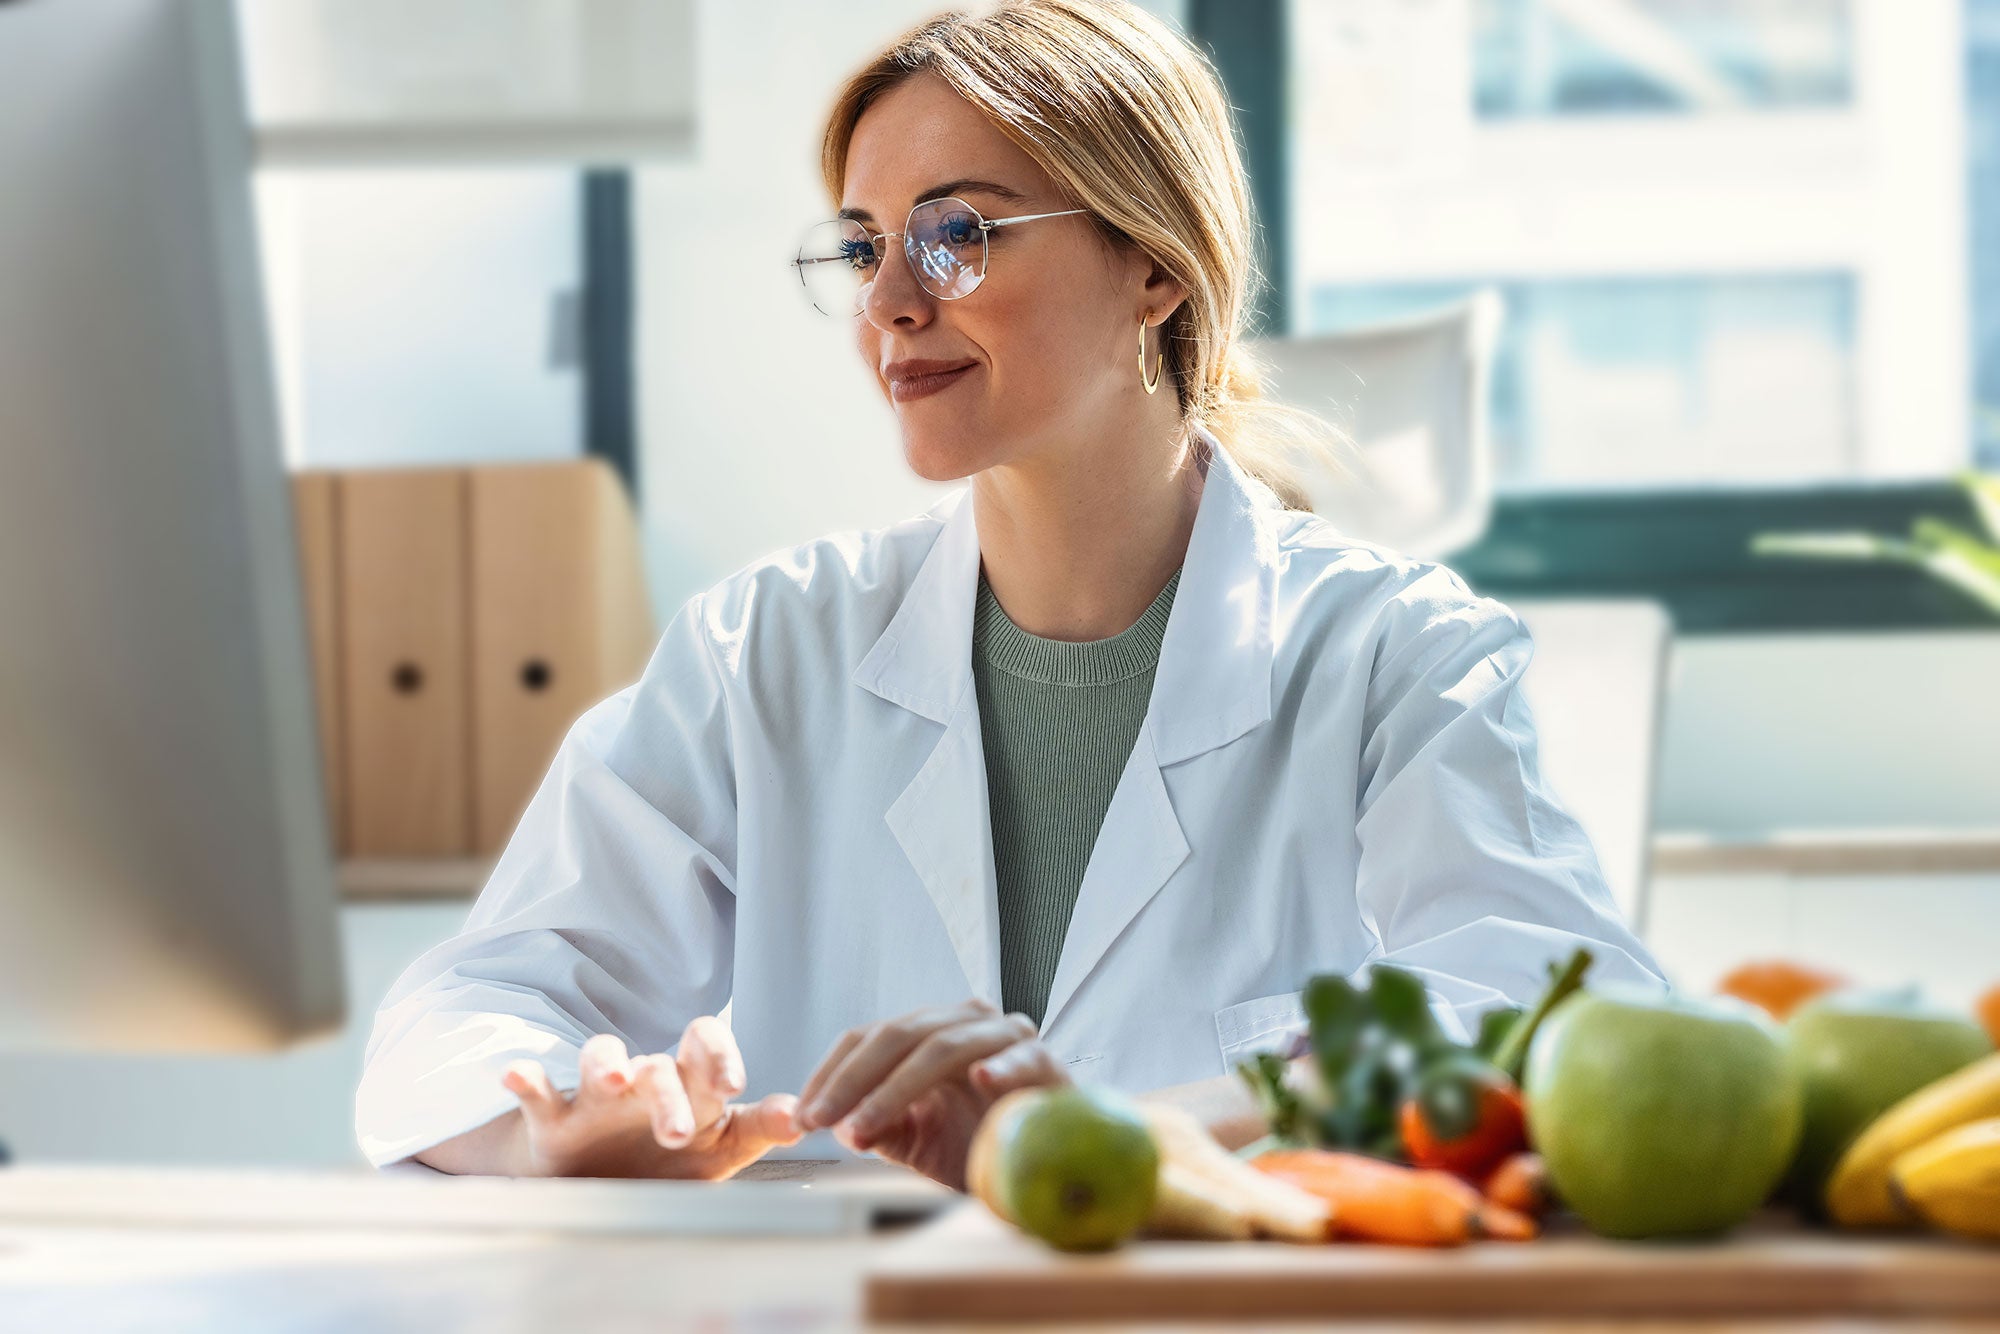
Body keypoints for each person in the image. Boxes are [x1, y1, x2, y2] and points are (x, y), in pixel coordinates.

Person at [354, 0, 1666, 1186]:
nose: (891, 303)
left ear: (1156, 265)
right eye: (866, 248)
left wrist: (1135, 1135)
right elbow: (460, 1012)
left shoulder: (1389, 655)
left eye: (958, 235)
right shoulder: (763, 654)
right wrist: (555, 1125)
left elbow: (1560, 1011)